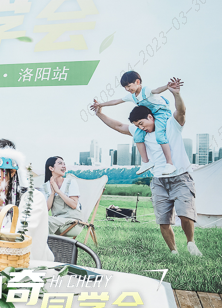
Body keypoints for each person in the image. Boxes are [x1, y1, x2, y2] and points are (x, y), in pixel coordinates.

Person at [92, 78, 201, 256]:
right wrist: (99, 114)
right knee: (163, 220)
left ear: (150, 117)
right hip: (159, 180)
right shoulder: (139, 132)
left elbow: (181, 111)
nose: (141, 128)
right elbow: (118, 126)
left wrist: (176, 94)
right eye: (137, 126)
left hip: (181, 177)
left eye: (142, 123)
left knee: (184, 214)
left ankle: (191, 243)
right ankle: (174, 251)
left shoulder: (170, 124)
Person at [92, 72, 178, 176]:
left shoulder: (145, 90)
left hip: (161, 113)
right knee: (137, 136)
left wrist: (167, 86)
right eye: (125, 87)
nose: (127, 89)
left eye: (129, 86)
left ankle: (170, 163)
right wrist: (100, 104)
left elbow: (156, 90)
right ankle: (146, 162)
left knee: (159, 135)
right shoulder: (132, 96)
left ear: (137, 82)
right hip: (150, 115)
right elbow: (116, 101)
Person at [43, 156, 83, 238]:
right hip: (56, 222)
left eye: (64, 164)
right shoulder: (45, 186)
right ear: (51, 168)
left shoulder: (71, 182)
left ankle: (41, 244)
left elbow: (74, 205)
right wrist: (52, 193)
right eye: (60, 163)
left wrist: (58, 191)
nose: (64, 166)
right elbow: (45, 209)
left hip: (73, 222)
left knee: (44, 221)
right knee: (38, 219)